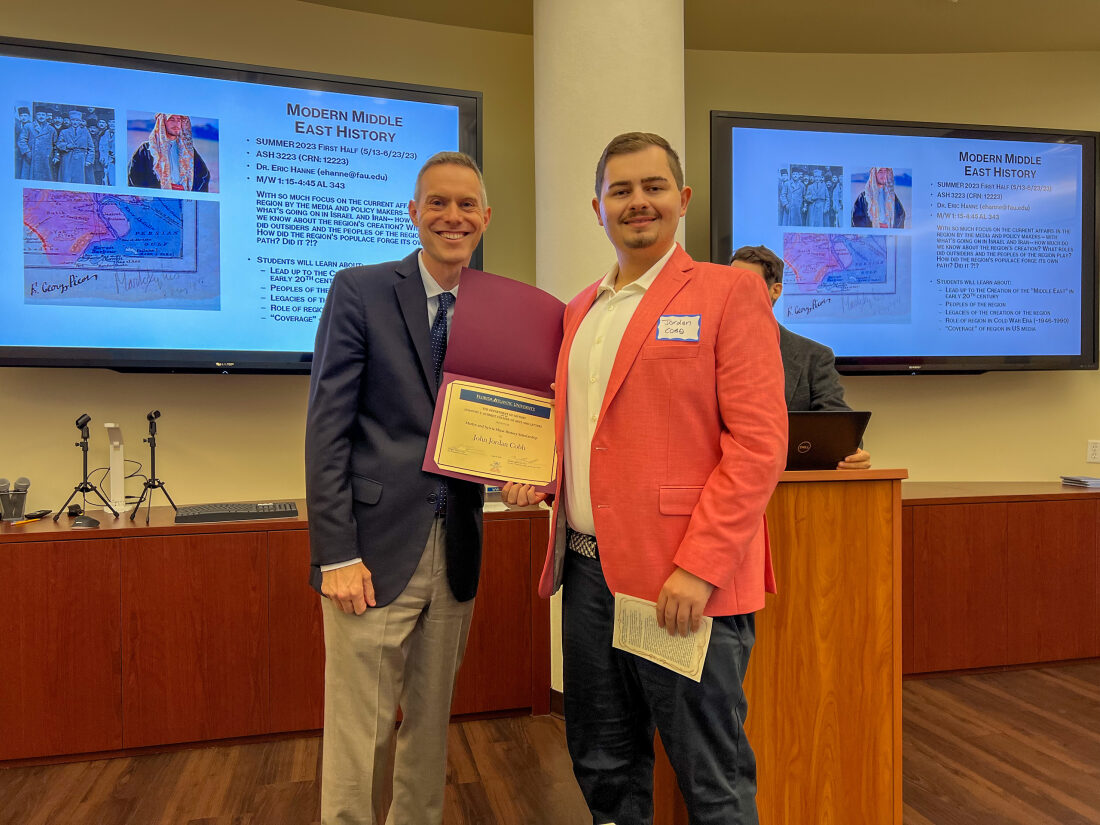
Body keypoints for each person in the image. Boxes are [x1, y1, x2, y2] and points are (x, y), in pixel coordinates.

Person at [505, 132, 788, 824]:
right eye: (621, 190)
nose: (639, 202)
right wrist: (540, 476)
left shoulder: (729, 292)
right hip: (586, 576)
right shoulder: (580, 310)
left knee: (710, 777)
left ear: (682, 199)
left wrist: (699, 567)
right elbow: (590, 433)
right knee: (603, 766)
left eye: (654, 187)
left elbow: (758, 445)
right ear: (598, 207)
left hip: (680, 582)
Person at [305, 151, 492, 825]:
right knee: (362, 733)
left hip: (457, 546)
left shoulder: (497, 309)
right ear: (414, 212)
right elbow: (327, 430)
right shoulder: (359, 290)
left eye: (466, 204)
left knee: (430, 726)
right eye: (437, 202)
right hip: (371, 551)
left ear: (485, 217)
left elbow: (503, 421)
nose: (452, 216)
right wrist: (336, 553)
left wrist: (529, 472)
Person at [730, 244, 871, 469]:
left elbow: (838, 426)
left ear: (776, 290)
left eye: (747, 284)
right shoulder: (703, 349)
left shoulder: (813, 357)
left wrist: (851, 452)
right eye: (730, 283)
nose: (735, 291)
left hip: (787, 478)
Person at [127, 113, 210, 192]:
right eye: (171, 119)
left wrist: (191, 195)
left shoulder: (188, 150)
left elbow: (204, 176)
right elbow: (133, 176)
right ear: (162, 122)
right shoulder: (147, 148)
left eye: (179, 120)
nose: (176, 124)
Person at [55, 110, 94, 184]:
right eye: (73, 120)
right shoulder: (64, 132)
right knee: (66, 179)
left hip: (81, 159)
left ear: (80, 121)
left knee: (79, 180)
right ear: (70, 121)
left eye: (77, 120)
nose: (75, 122)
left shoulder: (85, 132)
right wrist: (66, 146)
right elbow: (58, 144)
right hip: (67, 158)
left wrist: (89, 160)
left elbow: (91, 147)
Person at [18, 110, 55, 181]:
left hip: (45, 159)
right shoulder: (28, 126)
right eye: (39, 114)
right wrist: (27, 152)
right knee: (30, 180)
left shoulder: (51, 129)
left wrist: (55, 155)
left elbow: (55, 143)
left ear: (46, 116)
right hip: (31, 157)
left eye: (43, 115)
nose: (41, 117)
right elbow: (21, 140)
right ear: (35, 116)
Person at [97, 119, 114, 185]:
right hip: (106, 160)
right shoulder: (104, 134)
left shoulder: (120, 134)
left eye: (114, 122)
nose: (112, 124)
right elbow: (101, 147)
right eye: (110, 122)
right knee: (106, 177)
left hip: (115, 161)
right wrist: (102, 157)